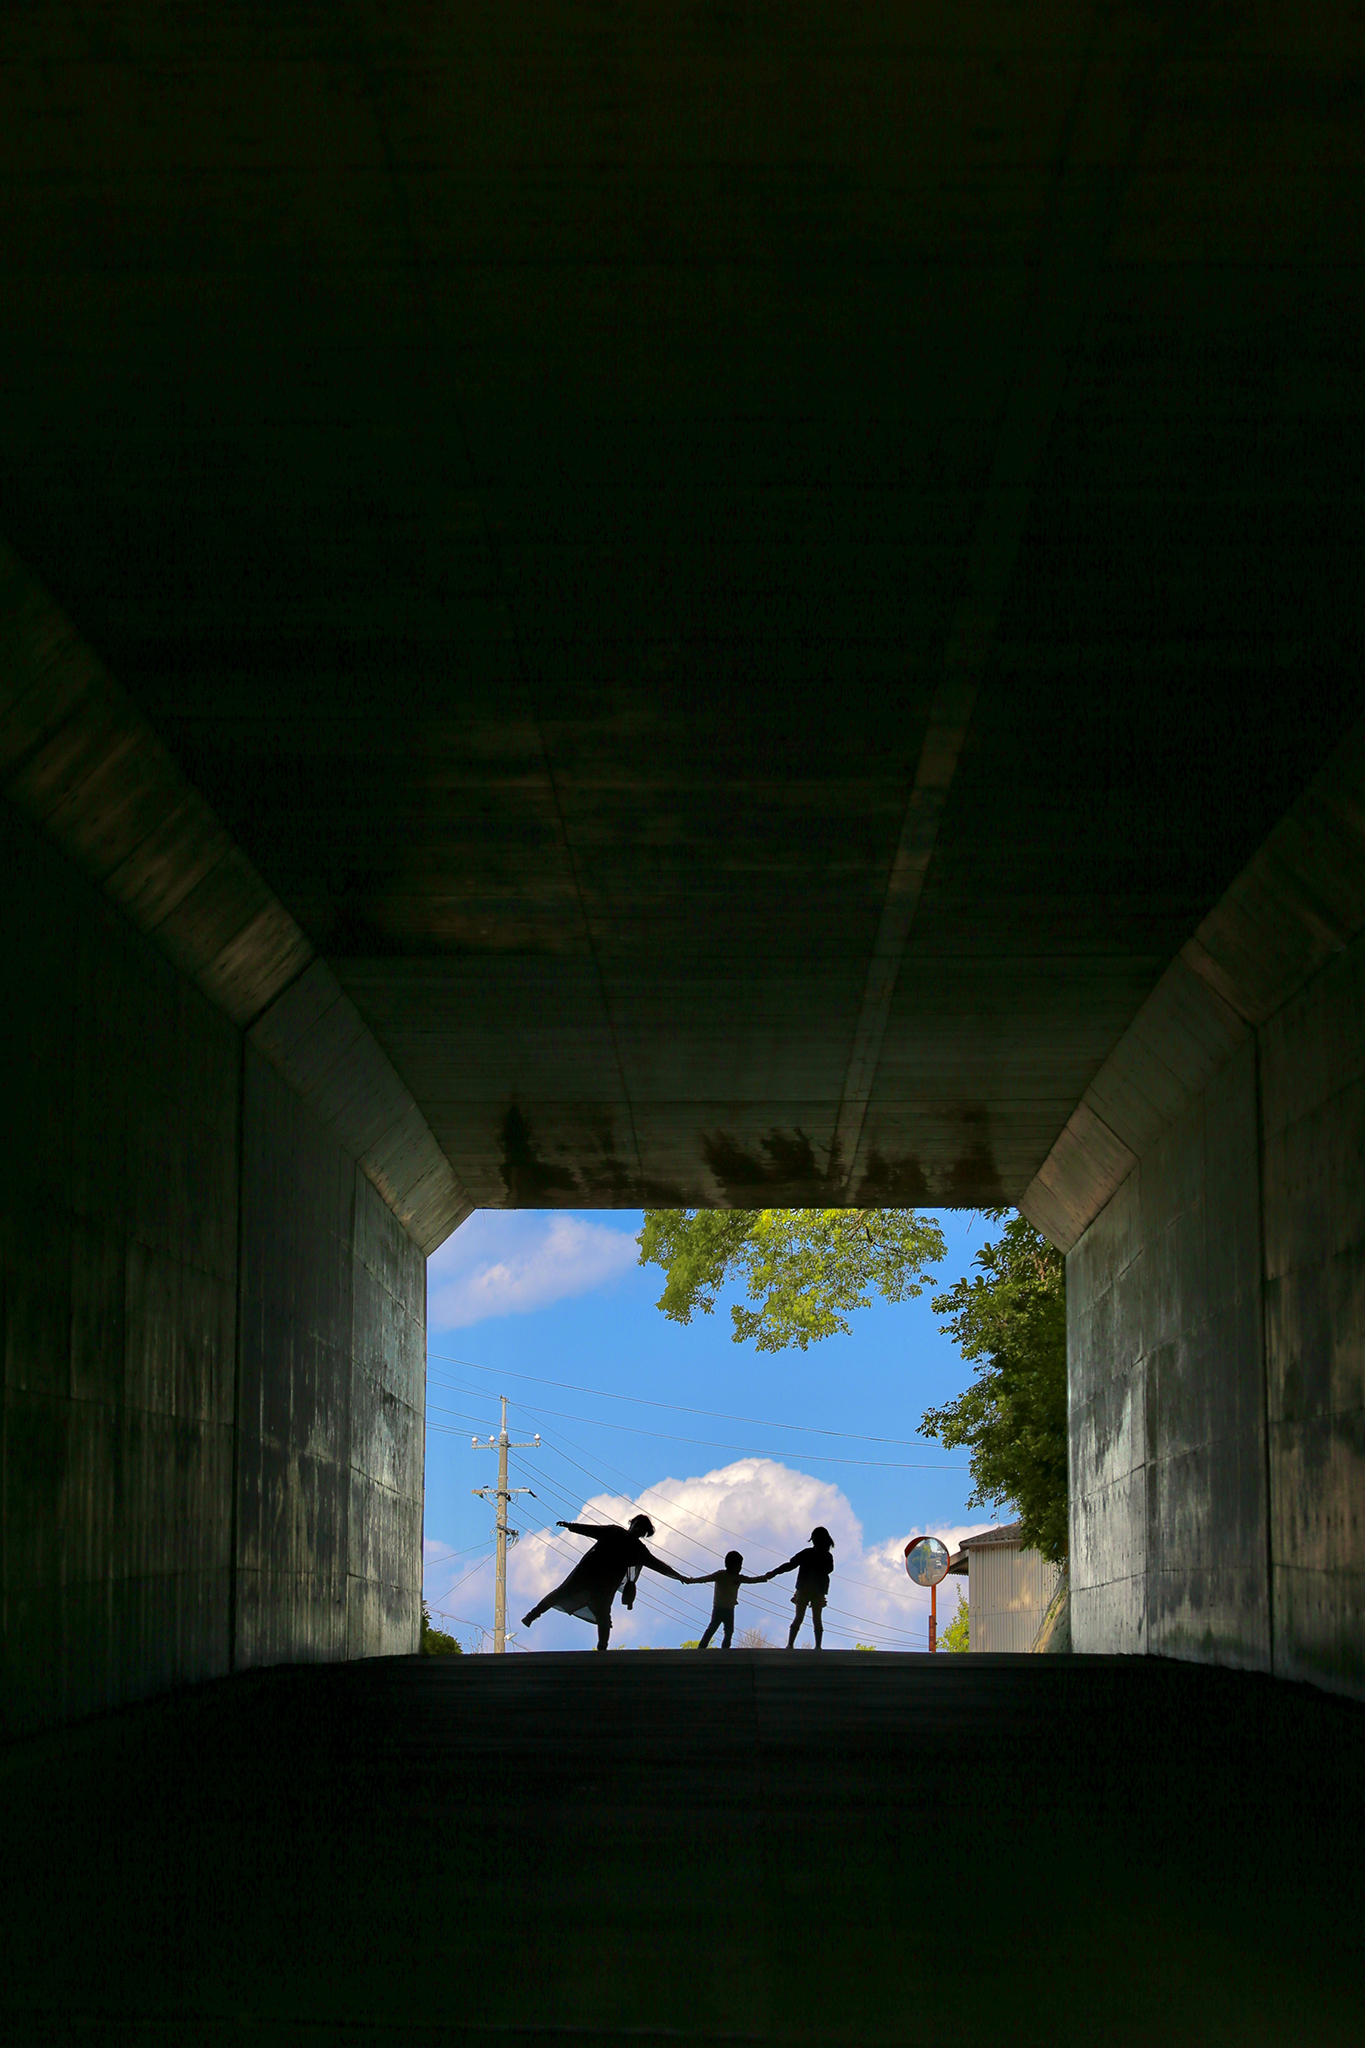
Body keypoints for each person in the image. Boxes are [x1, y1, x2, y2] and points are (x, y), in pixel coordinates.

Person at [521, 1513, 688, 1651]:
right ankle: (532, 1615)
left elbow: (658, 1564)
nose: (636, 1530)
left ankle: (602, 1649)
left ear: (644, 1534)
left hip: (605, 1585)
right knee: (561, 1593)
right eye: (636, 1525)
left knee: (603, 1616)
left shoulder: (639, 1550)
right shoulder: (614, 1532)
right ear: (631, 1524)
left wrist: (678, 1576)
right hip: (587, 1574)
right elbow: (592, 1530)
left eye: (641, 1530)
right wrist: (570, 1526)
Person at [683, 1550, 770, 1650]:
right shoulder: (721, 1575)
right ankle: (702, 1647)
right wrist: (690, 1580)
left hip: (729, 1608)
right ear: (730, 1565)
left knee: (728, 1631)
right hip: (720, 1608)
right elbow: (704, 1579)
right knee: (714, 1629)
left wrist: (765, 1578)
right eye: (738, 1565)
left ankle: (724, 1649)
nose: (740, 1568)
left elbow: (752, 1580)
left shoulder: (738, 1577)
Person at [765, 1526, 835, 1649]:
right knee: (816, 1619)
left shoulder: (807, 1553)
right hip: (817, 1591)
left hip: (804, 1589)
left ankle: (791, 1644)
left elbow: (790, 1565)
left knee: (799, 1618)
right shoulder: (826, 1556)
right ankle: (817, 1646)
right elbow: (829, 1570)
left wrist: (774, 1572)